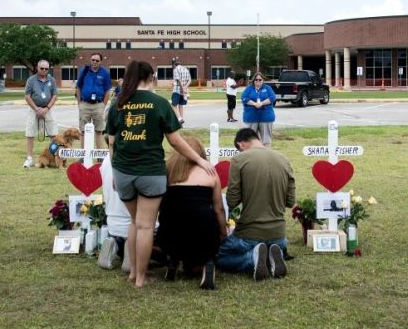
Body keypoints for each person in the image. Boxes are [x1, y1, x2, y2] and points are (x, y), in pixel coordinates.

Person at [104, 60, 215, 290]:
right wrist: (199, 159)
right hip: (150, 171)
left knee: (134, 222)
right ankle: (142, 279)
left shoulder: (118, 103)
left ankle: (133, 273)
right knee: (145, 226)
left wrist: (116, 172)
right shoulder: (159, 103)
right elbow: (175, 140)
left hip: (123, 171)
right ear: (151, 77)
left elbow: (111, 142)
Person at [216, 128, 295, 281]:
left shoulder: (239, 160)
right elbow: (290, 201)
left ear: (240, 144)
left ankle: (252, 258)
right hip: (279, 235)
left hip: (249, 234)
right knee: (270, 244)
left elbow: (232, 201)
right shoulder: (284, 160)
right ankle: (271, 255)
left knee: (219, 256)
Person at [156, 135, 228, 289]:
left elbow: (161, 203)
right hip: (203, 229)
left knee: (175, 227)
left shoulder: (168, 169)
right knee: (204, 231)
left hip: (171, 229)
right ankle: (206, 263)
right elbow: (219, 208)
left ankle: (173, 260)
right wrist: (223, 231)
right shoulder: (209, 171)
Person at [23, 60, 59, 169]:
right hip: (33, 108)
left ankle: (55, 158)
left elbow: (55, 95)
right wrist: (36, 109)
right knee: (30, 134)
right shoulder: (31, 80)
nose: (44, 70)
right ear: (38, 68)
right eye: (42, 68)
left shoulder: (51, 80)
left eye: (46, 69)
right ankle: (29, 158)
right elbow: (27, 96)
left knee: (54, 134)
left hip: (48, 108)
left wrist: (47, 108)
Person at [75, 53, 113, 149]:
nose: (94, 62)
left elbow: (107, 91)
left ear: (100, 61)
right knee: (83, 131)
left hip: (98, 105)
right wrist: (79, 103)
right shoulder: (84, 71)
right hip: (85, 104)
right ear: (90, 60)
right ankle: (83, 155)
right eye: (93, 60)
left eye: (97, 60)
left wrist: (103, 105)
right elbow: (78, 87)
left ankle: (99, 154)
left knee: (99, 131)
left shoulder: (105, 73)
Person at [241, 73, 276, 147]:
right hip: (251, 118)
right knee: (250, 139)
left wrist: (262, 103)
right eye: (256, 79)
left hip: (266, 117)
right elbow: (244, 98)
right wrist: (254, 104)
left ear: (263, 80)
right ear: (253, 80)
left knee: (266, 140)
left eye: (260, 79)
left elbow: (272, 97)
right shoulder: (249, 88)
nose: (258, 81)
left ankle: (266, 156)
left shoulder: (267, 88)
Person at [171, 58, 190, 124]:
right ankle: (181, 119)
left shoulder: (175, 69)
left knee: (173, 105)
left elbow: (179, 80)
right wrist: (185, 88)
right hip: (184, 91)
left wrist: (182, 88)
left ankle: (179, 118)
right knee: (181, 105)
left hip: (177, 90)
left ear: (174, 65)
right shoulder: (186, 69)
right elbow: (189, 80)